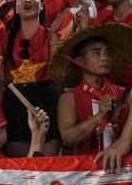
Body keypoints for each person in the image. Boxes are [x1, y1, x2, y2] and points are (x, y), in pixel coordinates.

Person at [0, 0, 63, 157]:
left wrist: (55, 36)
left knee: (45, 162)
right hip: (16, 98)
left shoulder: (52, 34)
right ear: (16, 9)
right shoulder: (4, 34)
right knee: (20, 164)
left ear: (41, 5)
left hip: (47, 97)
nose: (27, 0)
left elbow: (57, 72)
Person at [50, 24, 132, 170]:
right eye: (97, 53)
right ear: (80, 62)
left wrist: (122, 143)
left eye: (107, 53)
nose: (105, 58)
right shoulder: (69, 98)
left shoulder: (125, 94)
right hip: (85, 172)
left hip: (123, 169)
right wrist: (99, 117)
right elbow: (68, 138)